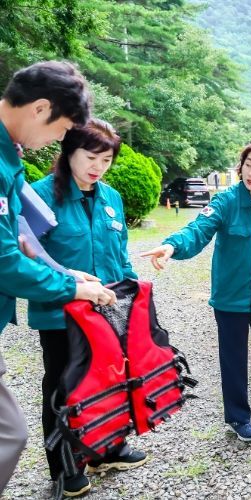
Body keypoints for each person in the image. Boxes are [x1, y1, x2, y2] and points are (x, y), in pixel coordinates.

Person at [0, 61, 116, 495]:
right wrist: (73, 286)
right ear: (40, 108)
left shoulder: (9, 157)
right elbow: (5, 262)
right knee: (13, 432)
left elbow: (21, 242)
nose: (55, 140)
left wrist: (66, 272)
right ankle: (64, 469)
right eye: (60, 130)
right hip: (57, 313)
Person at [142, 139, 251, 443]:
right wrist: (171, 246)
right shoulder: (226, 201)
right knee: (234, 359)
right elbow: (197, 230)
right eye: (247, 165)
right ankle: (238, 418)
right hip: (230, 299)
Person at [28, 118, 147, 497]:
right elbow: (30, 259)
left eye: (106, 160)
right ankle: (65, 468)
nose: (98, 167)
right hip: (60, 313)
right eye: (91, 157)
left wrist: (132, 296)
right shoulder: (40, 196)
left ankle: (106, 449)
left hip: (107, 309)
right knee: (64, 387)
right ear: (69, 152)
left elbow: (120, 254)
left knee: (110, 380)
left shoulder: (111, 198)